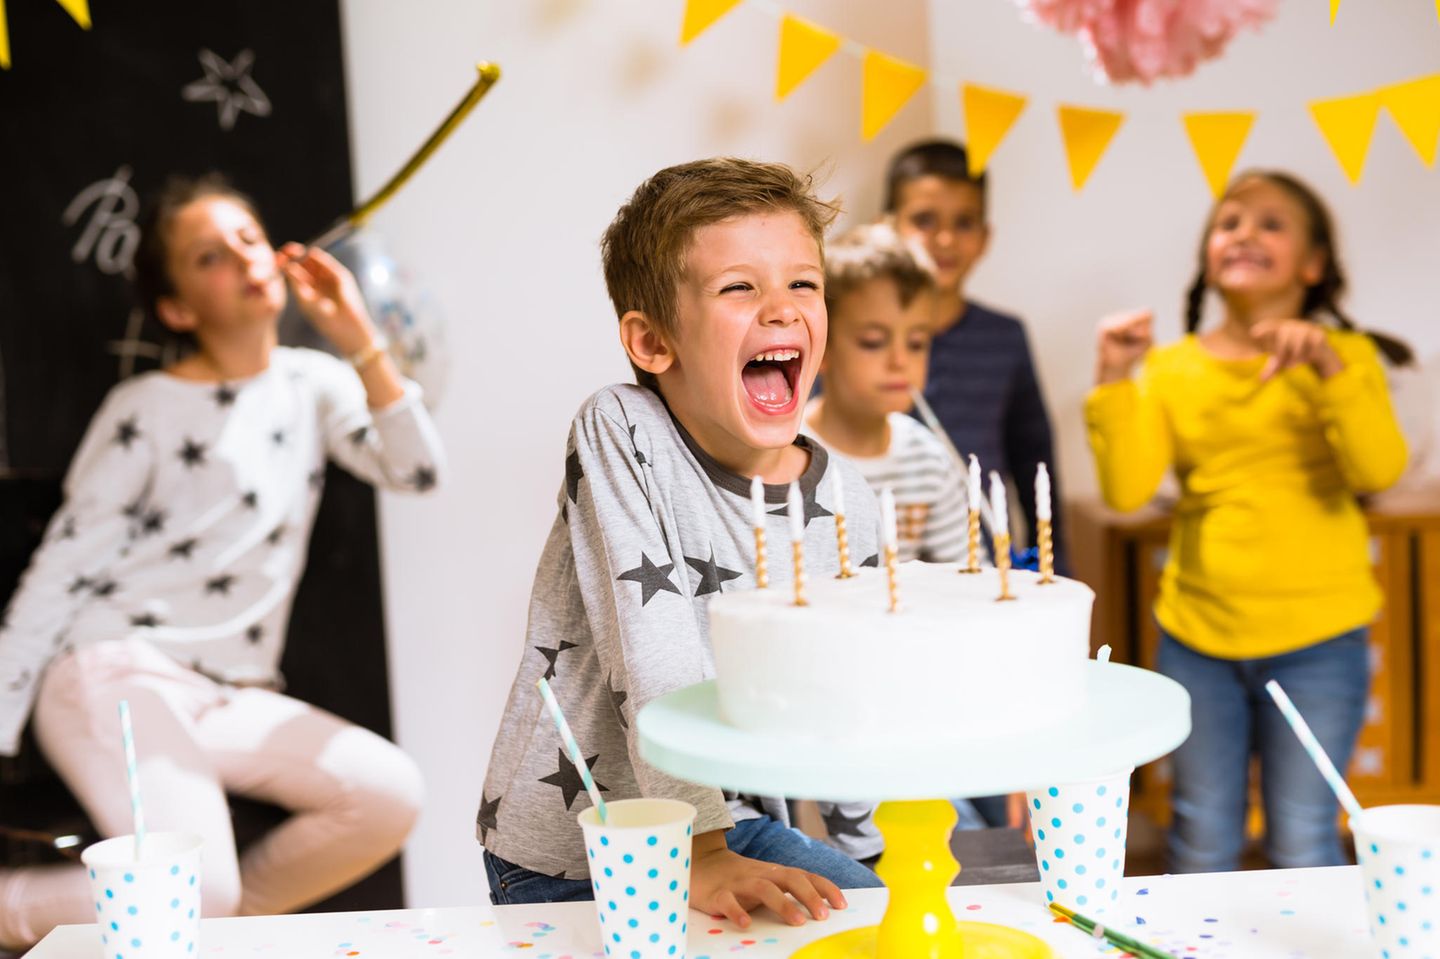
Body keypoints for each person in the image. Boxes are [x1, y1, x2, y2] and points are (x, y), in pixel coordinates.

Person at [0, 174, 444, 948]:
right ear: (177, 309)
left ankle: (212, 928)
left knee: (388, 794)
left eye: (249, 237)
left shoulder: (315, 383)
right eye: (210, 255)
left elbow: (417, 469)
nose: (243, 258)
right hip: (113, 671)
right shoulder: (144, 407)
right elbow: (64, 564)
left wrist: (357, 337)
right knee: (198, 883)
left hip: (227, 695)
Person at [477, 158, 885, 931]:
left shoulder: (847, 498)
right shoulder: (622, 429)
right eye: (740, 288)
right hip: (580, 846)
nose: (782, 309)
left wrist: (869, 857)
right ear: (653, 341)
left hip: (738, 825)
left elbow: (844, 687)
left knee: (880, 923)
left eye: (803, 283)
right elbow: (651, 651)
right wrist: (697, 849)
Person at [1085, 170, 1407, 873]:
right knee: (1200, 837)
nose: (1244, 234)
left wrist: (1327, 365)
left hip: (1322, 641)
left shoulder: (1346, 358)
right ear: (1207, 256)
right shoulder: (1169, 368)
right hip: (1197, 639)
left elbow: (1378, 471)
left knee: (1304, 837)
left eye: (1271, 223)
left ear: (1313, 264)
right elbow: (1128, 491)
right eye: (1229, 222)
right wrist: (1114, 377)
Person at [884, 138, 1068, 575]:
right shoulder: (852, 339)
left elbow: (1035, 465)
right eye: (924, 220)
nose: (945, 239)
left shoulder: (1005, 337)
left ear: (985, 238)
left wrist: (1056, 571)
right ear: (887, 228)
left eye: (964, 222)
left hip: (980, 569)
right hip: (880, 567)